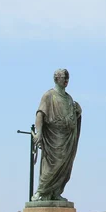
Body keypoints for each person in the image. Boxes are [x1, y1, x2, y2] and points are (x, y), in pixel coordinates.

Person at [31, 69, 82, 202]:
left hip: (67, 137)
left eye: (68, 78)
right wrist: (39, 133)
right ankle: (41, 191)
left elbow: (72, 116)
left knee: (65, 166)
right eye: (64, 78)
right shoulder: (48, 96)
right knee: (51, 166)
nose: (66, 81)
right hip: (54, 138)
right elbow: (40, 114)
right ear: (56, 79)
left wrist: (78, 112)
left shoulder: (69, 98)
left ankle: (56, 192)